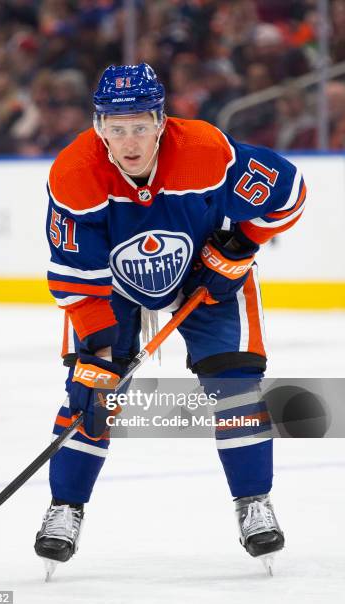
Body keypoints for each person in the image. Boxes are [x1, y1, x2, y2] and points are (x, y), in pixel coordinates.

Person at [34, 63, 306, 576]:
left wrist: (238, 248)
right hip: (110, 287)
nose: (129, 140)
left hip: (205, 276)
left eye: (140, 125)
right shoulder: (74, 175)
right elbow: (76, 281)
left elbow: (288, 195)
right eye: (116, 128)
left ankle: (253, 502)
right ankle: (65, 508)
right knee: (89, 393)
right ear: (99, 127)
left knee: (237, 386)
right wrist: (102, 351)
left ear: (161, 120)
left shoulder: (206, 152)